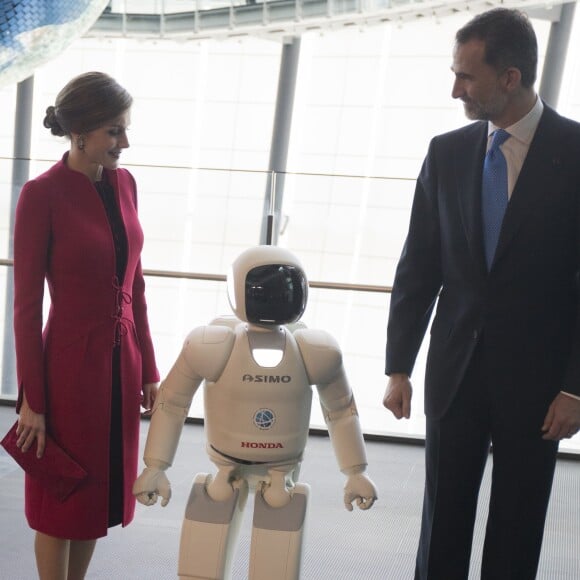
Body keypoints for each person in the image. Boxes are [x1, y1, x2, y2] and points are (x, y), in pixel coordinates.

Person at [382, 8, 580, 580]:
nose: (455, 90)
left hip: (541, 385)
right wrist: (399, 366)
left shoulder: (577, 154)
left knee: (518, 522)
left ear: (512, 77)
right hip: (456, 371)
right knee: (442, 516)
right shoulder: (446, 153)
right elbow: (418, 266)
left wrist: (576, 388)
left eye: (466, 77)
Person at [12, 71, 160, 579]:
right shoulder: (40, 194)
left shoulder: (126, 184)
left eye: (125, 129)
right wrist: (32, 397)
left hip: (120, 367)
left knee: (97, 496)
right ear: (81, 133)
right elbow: (26, 308)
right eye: (114, 131)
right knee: (62, 498)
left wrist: (150, 371)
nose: (125, 142)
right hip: (68, 371)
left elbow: (135, 285)